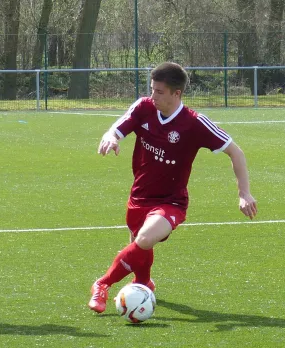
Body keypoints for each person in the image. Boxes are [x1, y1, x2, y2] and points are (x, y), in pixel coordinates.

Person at [88, 62, 257, 313]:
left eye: (159, 91)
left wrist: (244, 193)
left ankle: (102, 284)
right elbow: (118, 128)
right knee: (140, 252)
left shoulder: (195, 123)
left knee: (144, 239)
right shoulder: (144, 107)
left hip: (171, 201)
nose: (152, 95)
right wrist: (111, 138)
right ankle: (144, 284)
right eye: (152, 89)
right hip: (139, 196)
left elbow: (236, 153)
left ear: (176, 93)